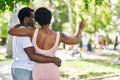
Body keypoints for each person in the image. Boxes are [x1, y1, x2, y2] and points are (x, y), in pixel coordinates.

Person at [8, 7, 85, 80]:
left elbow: (10, 31)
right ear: (50, 19)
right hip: (50, 70)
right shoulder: (59, 36)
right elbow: (76, 40)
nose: (33, 20)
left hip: (37, 71)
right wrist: (80, 29)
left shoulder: (32, 32)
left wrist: (19, 25)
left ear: (37, 20)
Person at [8, 7, 61, 80]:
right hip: (25, 70)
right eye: (33, 18)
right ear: (26, 18)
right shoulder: (24, 33)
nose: (35, 20)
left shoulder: (20, 31)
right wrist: (53, 60)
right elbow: (32, 56)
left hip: (19, 69)